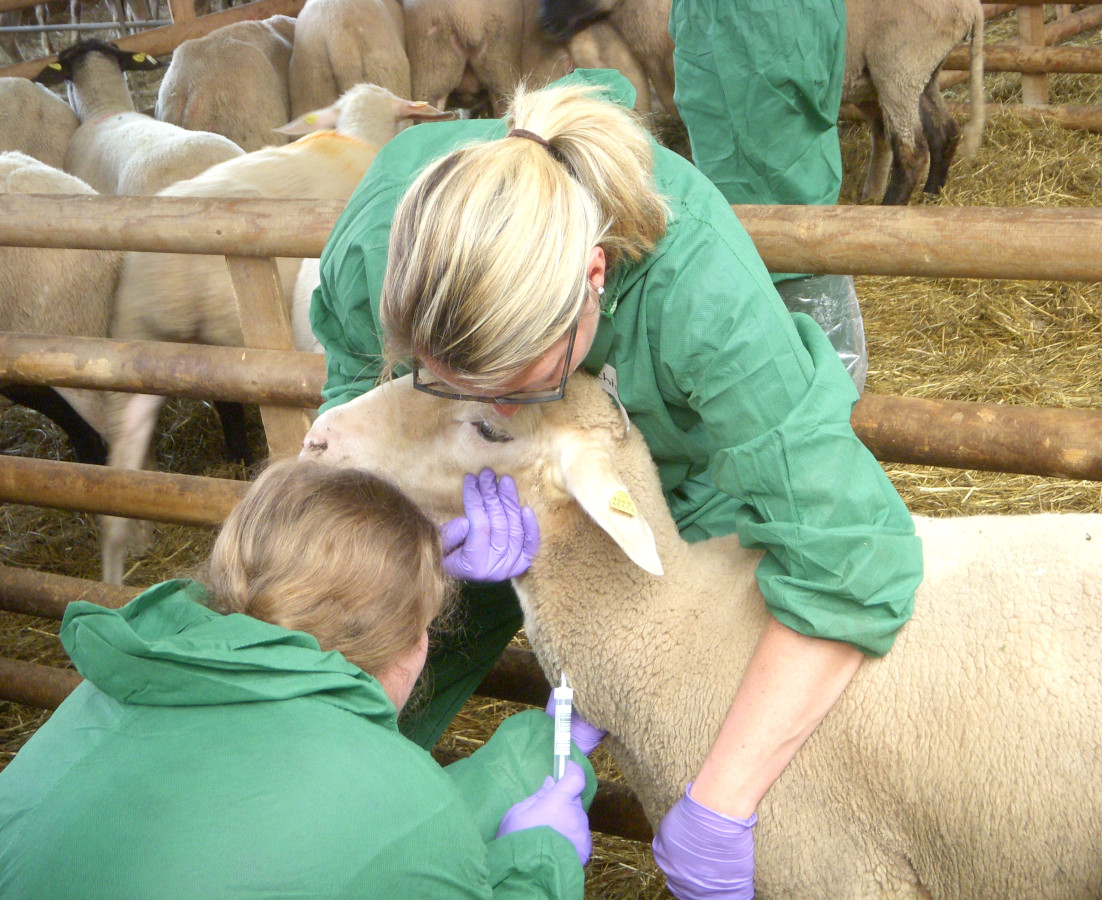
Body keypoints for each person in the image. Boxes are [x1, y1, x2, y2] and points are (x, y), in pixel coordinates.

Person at [309, 68, 923, 898]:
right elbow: (358, 423)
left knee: (697, 688)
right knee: (384, 631)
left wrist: (719, 807)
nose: (476, 403)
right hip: (476, 492)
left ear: (593, 279)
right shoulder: (389, 232)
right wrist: (420, 537)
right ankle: (332, 846)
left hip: (664, 479)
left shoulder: (703, 296)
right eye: (435, 377)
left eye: (510, 386)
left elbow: (853, 553)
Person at [0, 459, 600, 900]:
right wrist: (539, 865)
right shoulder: (395, 797)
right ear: (412, 644)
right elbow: (402, 827)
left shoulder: (106, 693)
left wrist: (541, 745)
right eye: (425, 623)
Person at [670, 0, 870, 392]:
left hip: (730, 222)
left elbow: (691, 79)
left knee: (746, 369)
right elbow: (826, 88)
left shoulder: (697, 12)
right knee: (824, 373)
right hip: (804, 206)